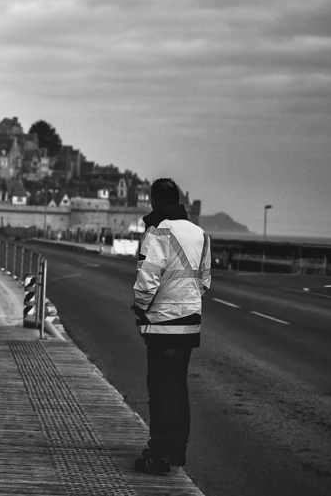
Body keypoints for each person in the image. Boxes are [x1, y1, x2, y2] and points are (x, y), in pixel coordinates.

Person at [132, 178, 211, 474]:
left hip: (164, 323)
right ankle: (177, 451)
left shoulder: (157, 232)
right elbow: (204, 282)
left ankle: (158, 454)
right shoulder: (200, 234)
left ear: (154, 202)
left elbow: (146, 281)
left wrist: (141, 309)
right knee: (178, 387)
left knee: (160, 390)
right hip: (190, 324)